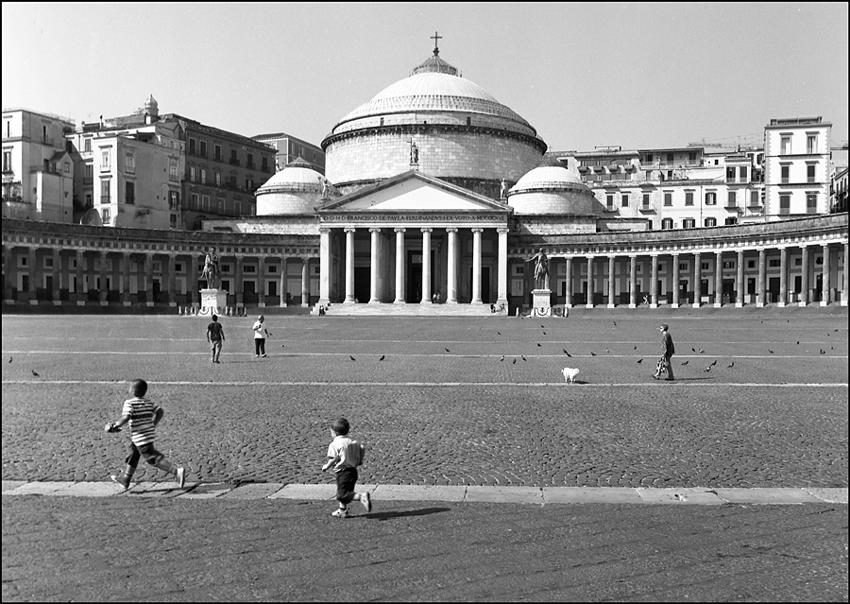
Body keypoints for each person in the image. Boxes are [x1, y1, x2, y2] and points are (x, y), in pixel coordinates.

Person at [104, 379, 186, 490]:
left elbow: (126, 417)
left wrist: (115, 425)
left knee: (152, 457)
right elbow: (160, 411)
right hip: (147, 434)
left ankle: (176, 471)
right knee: (134, 453)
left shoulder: (129, 403)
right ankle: (126, 480)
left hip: (140, 436)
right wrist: (154, 423)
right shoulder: (149, 402)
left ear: (132, 391)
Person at [321, 418, 371, 518]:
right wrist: (360, 460)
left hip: (343, 472)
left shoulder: (334, 444)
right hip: (353, 471)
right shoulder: (352, 441)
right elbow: (362, 447)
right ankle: (342, 510)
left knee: (342, 495)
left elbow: (334, 459)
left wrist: (326, 466)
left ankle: (362, 497)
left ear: (335, 433)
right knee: (345, 491)